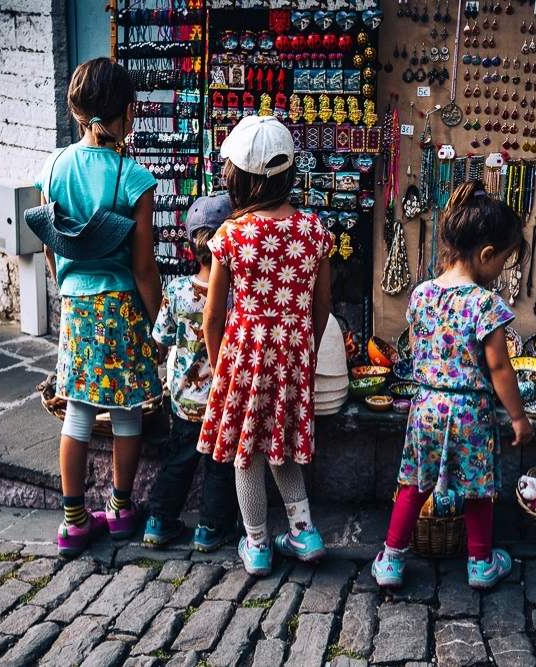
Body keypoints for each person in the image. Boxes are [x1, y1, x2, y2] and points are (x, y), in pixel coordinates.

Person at [373, 180, 534, 590]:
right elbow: (499, 367)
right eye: (503, 262)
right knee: (479, 488)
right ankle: (480, 563)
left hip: (426, 406)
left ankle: (391, 558)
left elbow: (420, 345)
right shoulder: (485, 304)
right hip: (470, 412)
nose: (502, 271)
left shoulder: (422, 294)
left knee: (412, 483)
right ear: (486, 254)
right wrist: (518, 417)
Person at [34, 58, 162, 558]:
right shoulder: (134, 178)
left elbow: (50, 243)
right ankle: (122, 509)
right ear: (127, 112)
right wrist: (160, 322)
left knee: (78, 413)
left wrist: (63, 285)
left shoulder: (54, 167)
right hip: (122, 305)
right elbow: (144, 266)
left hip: (76, 305)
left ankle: (72, 521)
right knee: (127, 410)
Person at [199, 115, 333, 576]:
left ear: (238, 177)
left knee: (247, 452)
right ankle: (304, 532)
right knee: (283, 445)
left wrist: (221, 366)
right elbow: (323, 305)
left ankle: (256, 543)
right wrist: (306, 349)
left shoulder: (231, 237)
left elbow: (213, 316)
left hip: (244, 358)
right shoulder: (314, 231)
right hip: (293, 353)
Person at [143, 194, 239, 551]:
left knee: (179, 459)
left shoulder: (178, 290)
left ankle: (159, 520)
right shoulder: (233, 296)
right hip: (221, 398)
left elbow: (161, 339)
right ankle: (210, 528)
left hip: (184, 399)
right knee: (218, 464)